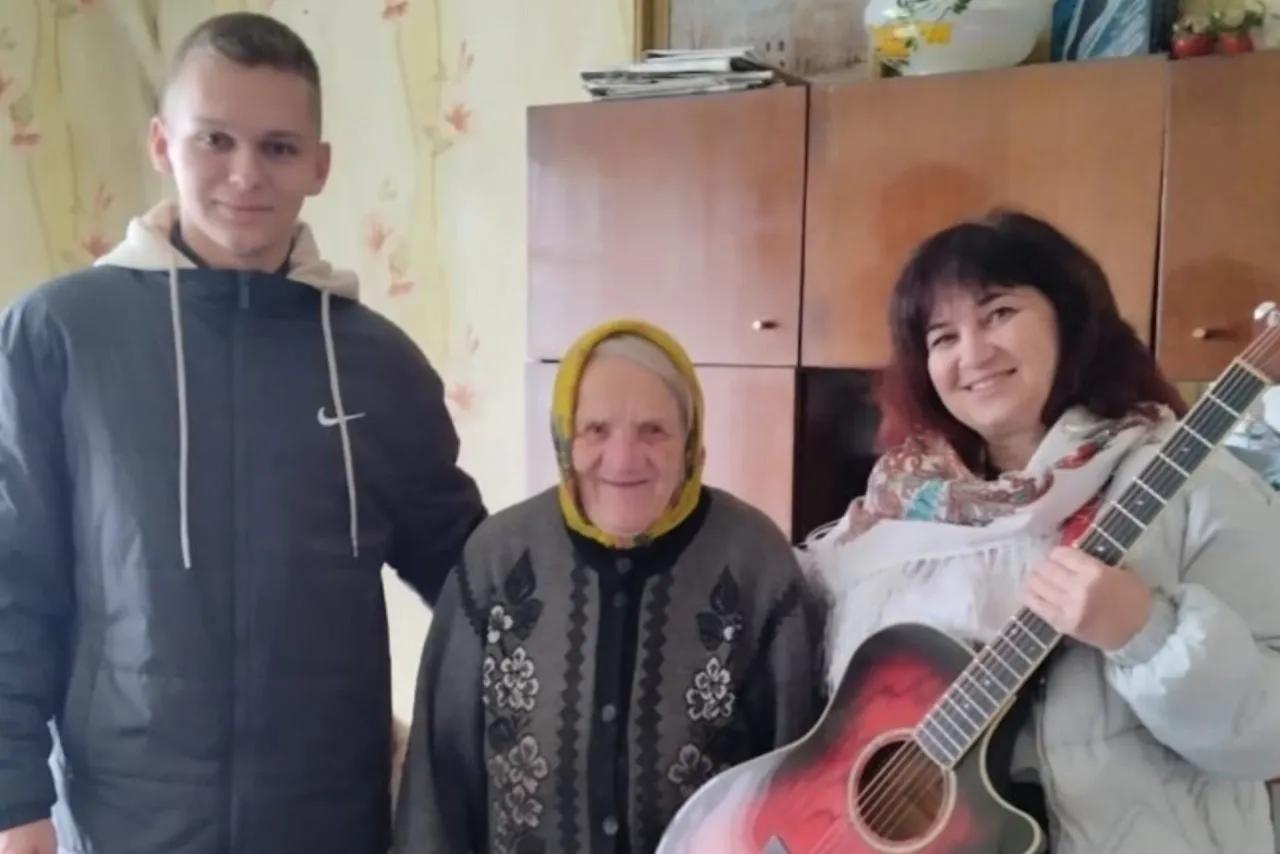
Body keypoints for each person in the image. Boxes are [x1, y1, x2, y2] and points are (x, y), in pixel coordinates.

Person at [0, 12, 485, 854]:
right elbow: (14, 580)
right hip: (124, 819)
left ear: (320, 165)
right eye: (214, 140)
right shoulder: (58, 337)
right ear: (162, 143)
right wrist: (13, 802)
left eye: (279, 147)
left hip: (331, 818)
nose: (245, 173)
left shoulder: (377, 363)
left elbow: (472, 577)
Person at [802, 209, 1280, 853]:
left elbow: (1269, 736)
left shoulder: (1196, 483)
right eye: (942, 337)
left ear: (1070, 319)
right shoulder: (891, 518)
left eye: (998, 313)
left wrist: (1148, 636)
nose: (973, 354)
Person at [391, 319, 827, 854]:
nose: (623, 459)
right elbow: (438, 784)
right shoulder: (496, 560)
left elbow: (800, 781)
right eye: (596, 429)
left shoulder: (756, 563)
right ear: (564, 437)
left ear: (690, 440)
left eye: (653, 430)